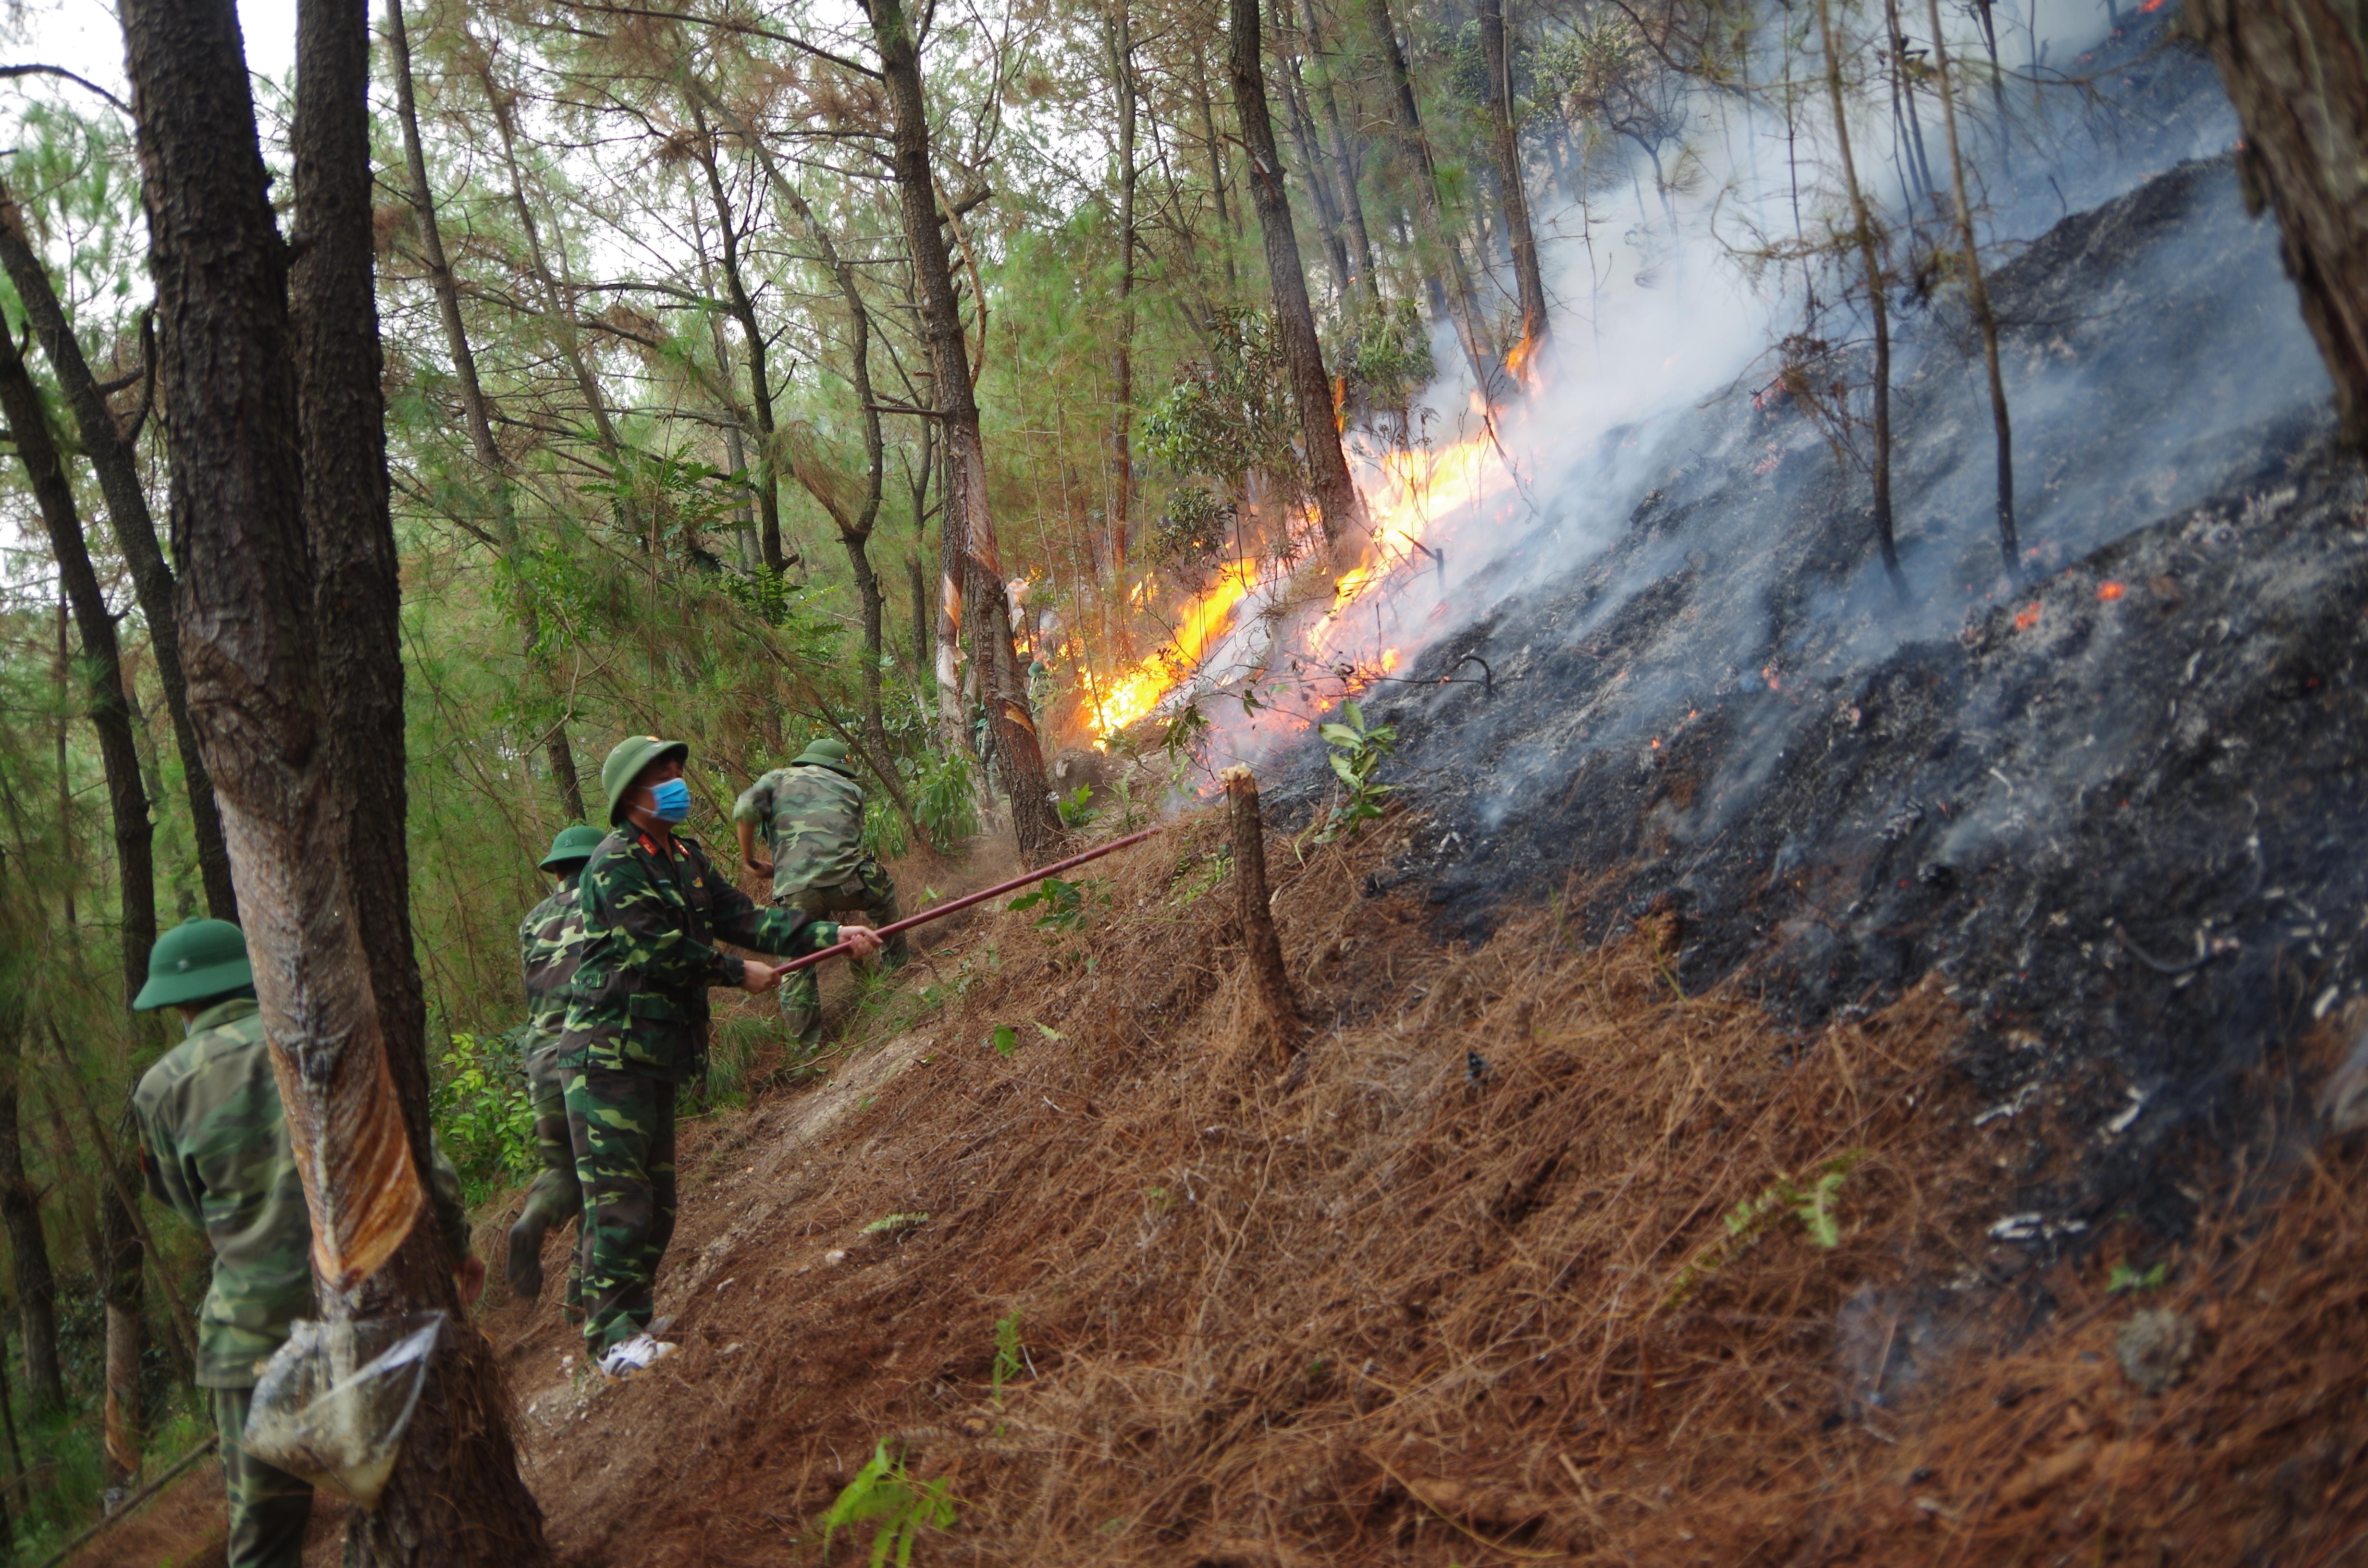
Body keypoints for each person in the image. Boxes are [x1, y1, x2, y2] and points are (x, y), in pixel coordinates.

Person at [130, 919, 481, 1568]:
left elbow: (188, 1209)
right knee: (425, 1495)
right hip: (377, 1315)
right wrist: (459, 1247)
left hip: (253, 1341)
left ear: (178, 1005)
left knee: (265, 1539)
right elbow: (421, 1160)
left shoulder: (160, 1089)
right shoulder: (323, 1038)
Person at [565, 735, 881, 1379]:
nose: (677, 780)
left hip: (655, 1048)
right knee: (619, 1197)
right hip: (607, 1055)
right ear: (631, 792)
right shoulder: (614, 864)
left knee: (658, 1197)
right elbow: (655, 950)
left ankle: (638, 1314)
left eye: (679, 767)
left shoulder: (684, 857)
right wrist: (737, 974)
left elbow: (744, 917)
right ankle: (611, 1338)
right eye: (663, 773)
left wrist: (829, 933)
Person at [732, 737, 910, 1045]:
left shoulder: (775, 779)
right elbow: (849, 845)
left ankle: (806, 1047)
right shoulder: (851, 789)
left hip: (796, 890)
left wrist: (750, 861)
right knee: (883, 899)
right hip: (849, 882)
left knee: (797, 962)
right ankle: (898, 974)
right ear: (838, 767)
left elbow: (744, 808)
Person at [504, 822, 606, 1313]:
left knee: (563, 1170)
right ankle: (587, 1302)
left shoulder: (531, 921)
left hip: (542, 1060)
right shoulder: (609, 903)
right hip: (591, 1056)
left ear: (558, 871)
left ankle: (535, 1218)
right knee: (604, 1174)